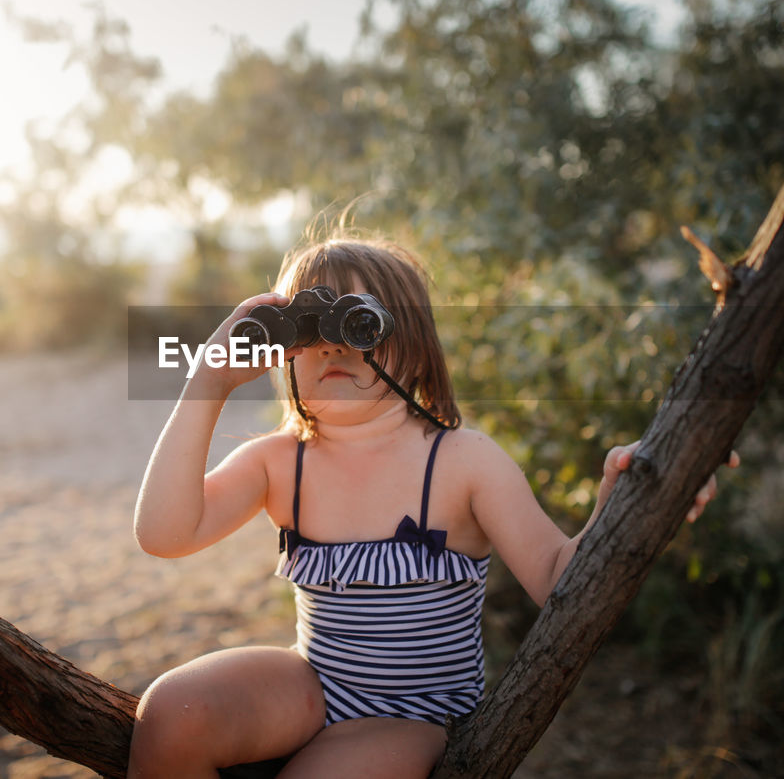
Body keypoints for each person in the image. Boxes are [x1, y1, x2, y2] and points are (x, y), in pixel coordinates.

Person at [130, 234, 733, 778]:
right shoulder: (278, 461)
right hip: (313, 681)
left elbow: (557, 579)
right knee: (170, 715)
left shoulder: (462, 462)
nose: (332, 344)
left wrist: (623, 498)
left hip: (413, 713)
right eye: (310, 325)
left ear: (415, 347)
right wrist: (206, 382)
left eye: (359, 322)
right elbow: (164, 533)